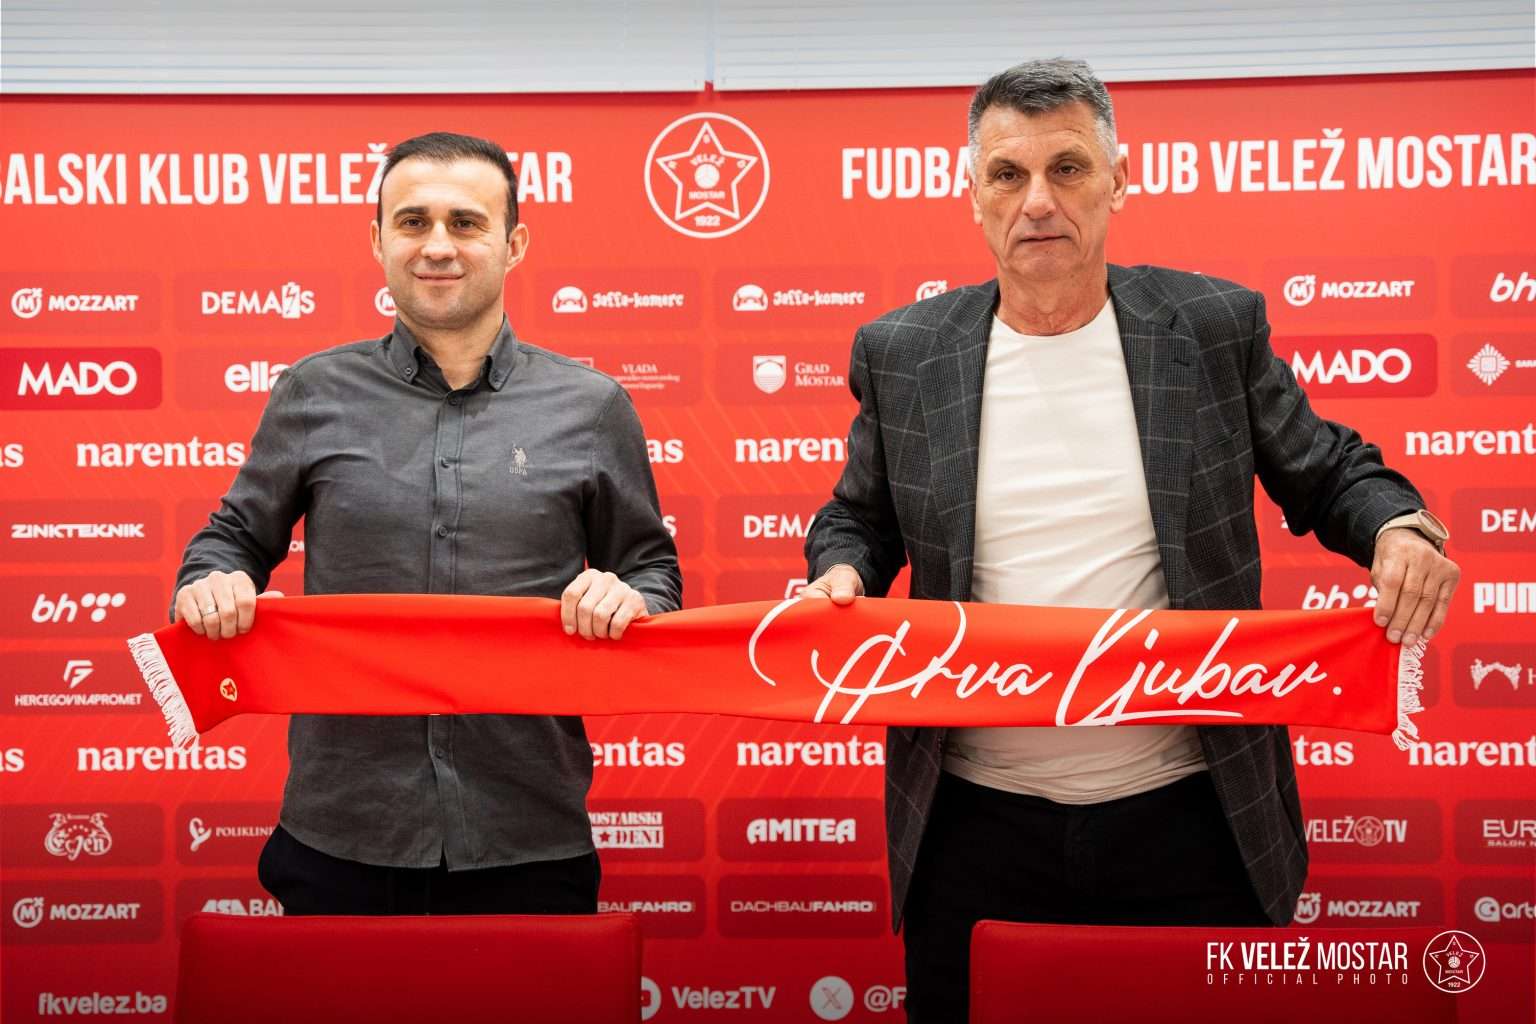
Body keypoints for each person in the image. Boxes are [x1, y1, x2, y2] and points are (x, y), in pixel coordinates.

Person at [802, 60, 1459, 1022]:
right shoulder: (904, 353)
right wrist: (841, 571)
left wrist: (1398, 526)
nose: (1037, 201)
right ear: (973, 193)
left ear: (1119, 179)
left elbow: (1328, 471)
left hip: (1192, 812)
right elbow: (857, 518)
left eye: (1068, 168)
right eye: (1008, 174)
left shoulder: (1212, 328)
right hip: (973, 821)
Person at [171, 131, 681, 916]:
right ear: (378, 241)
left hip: (528, 833)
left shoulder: (592, 407)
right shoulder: (312, 391)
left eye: (465, 223)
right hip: (342, 831)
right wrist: (212, 579)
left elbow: (653, 571)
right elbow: (231, 540)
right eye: (413, 222)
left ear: (513, 244)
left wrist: (632, 597)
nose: (437, 245)